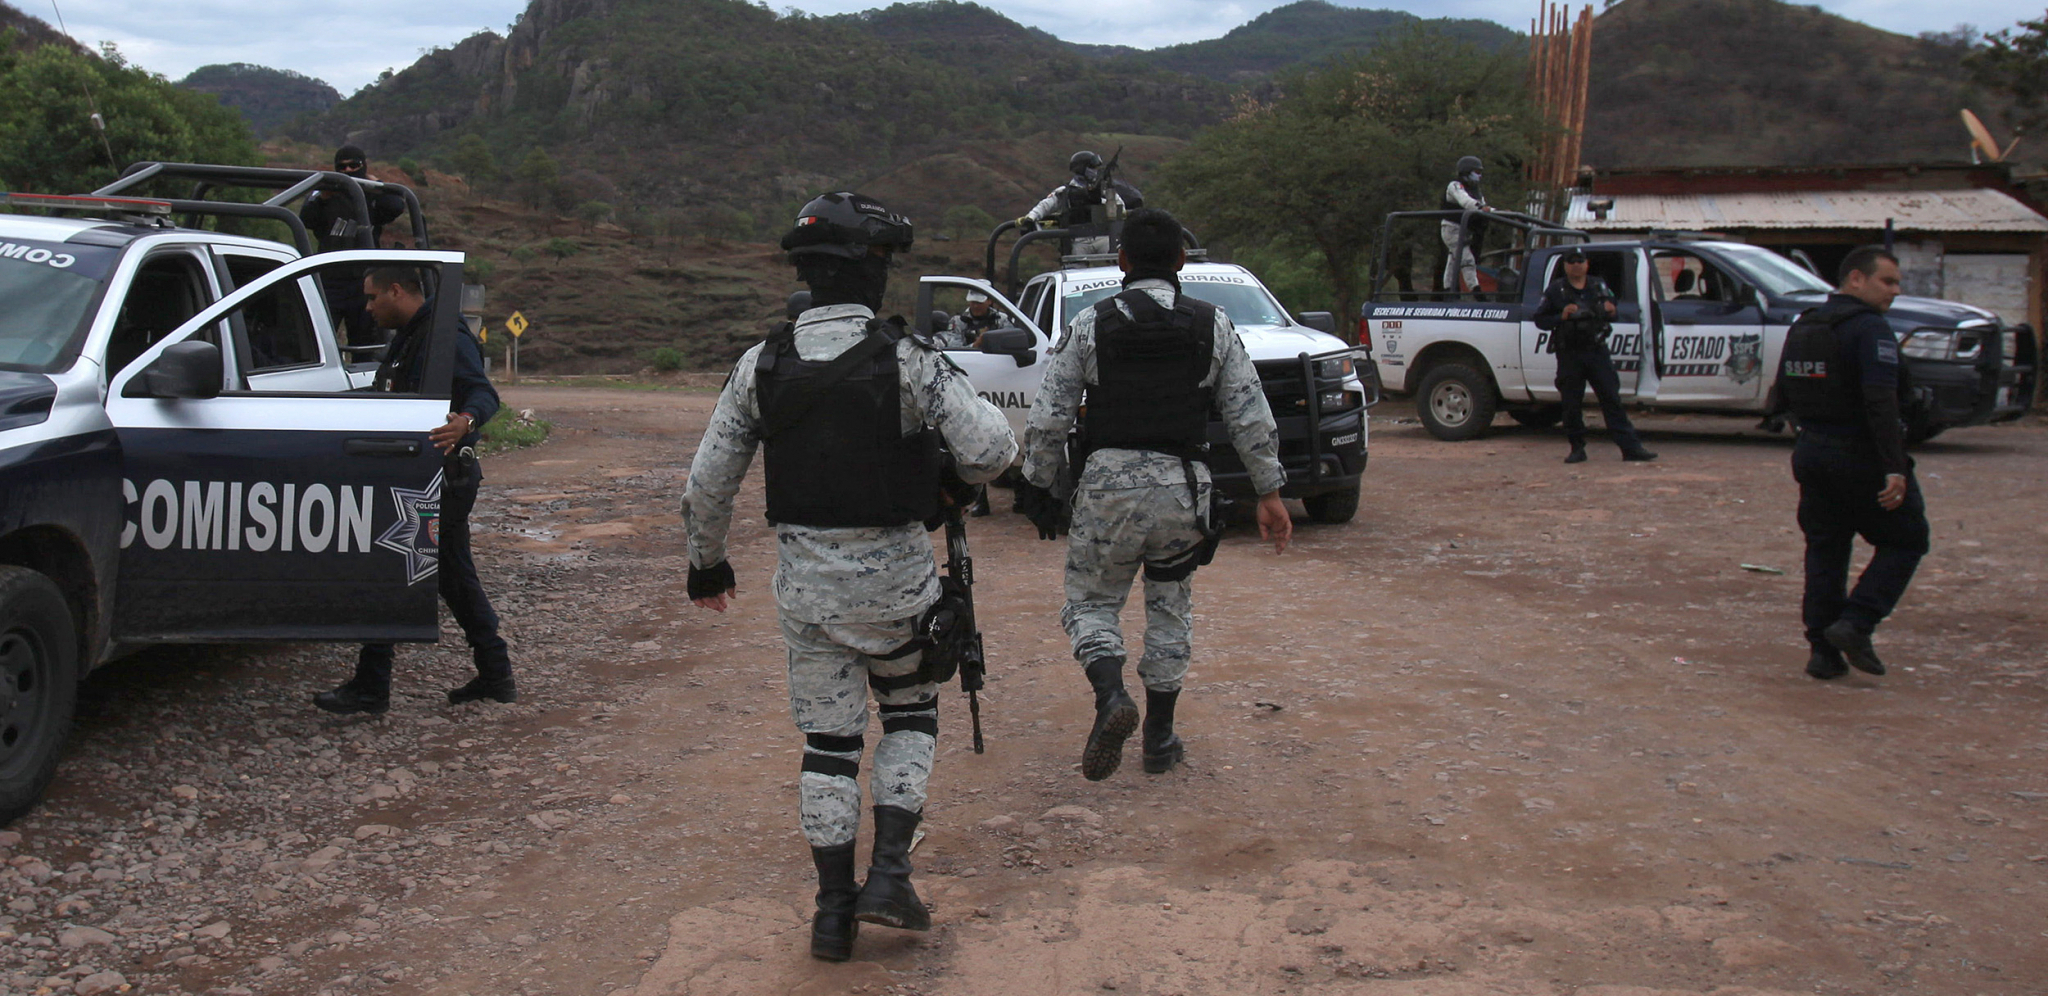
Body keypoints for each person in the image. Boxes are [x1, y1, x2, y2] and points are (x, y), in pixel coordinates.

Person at [680, 192, 1017, 962]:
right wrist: (953, 488)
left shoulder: (758, 365)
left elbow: (706, 485)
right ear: (874, 273)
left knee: (828, 746)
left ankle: (832, 915)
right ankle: (891, 875)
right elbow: (995, 448)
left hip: (809, 595)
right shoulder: (908, 359)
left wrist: (708, 565)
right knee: (908, 717)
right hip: (900, 591)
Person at [1015, 207, 1291, 782]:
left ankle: (1112, 697)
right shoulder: (1211, 325)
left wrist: (1037, 483)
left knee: (1091, 604)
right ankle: (1160, 740)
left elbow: (1048, 417)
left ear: (1121, 261)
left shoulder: (1091, 324)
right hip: (1184, 491)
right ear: (1182, 261)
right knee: (1169, 606)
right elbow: (1248, 412)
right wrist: (1269, 490)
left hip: (1107, 490)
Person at [314, 267, 517, 714]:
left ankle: (373, 685)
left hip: (439, 480)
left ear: (396, 290)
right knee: (447, 578)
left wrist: (465, 421)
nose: (367, 307)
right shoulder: (412, 334)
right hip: (418, 477)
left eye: (372, 298)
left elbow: (483, 393)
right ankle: (494, 674)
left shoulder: (444, 335)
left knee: (403, 569)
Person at [1774, 245, 1928, 681]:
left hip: (1813, 450)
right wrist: (1894, 465)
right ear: (1855, 279)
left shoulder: (1806, 324)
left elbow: (1783, 393)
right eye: (1888, 281)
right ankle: (1856, 623)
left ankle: (1822, 652)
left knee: (1826, 549)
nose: (1894, 292)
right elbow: (1880, 400)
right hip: (1858, 452)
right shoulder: (1869, 329)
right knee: (1907, 539)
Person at [1531, 249, 1658, 463]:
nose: (1576, 265)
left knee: (1611, 399)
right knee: (1571, 404)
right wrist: (1561, 316)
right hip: (1570, 353)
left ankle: (1630, 448)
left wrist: (1610, 310)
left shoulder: (1598, 285)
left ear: (1587, 264)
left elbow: (1613, 311)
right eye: (1571, 262)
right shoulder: (1556, 290)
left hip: (1596, 350)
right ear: (1565, 266)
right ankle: (1577, 448)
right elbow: (1540, 320)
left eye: (1580, 261)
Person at [300, 146, 409, 349]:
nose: (348, 171)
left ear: (363, 166)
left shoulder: (371, 194)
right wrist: (325, 197)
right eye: (342, 167)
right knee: (318, 341)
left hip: (364, 281)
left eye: (354, 166)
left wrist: (374, 184)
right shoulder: (325, 193)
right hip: (329, 279)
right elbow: (306, 217)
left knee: (365, 343)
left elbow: (396, 205)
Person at [1016, 151, 1126, 255]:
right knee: (1074, 268)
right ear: (1081, 169)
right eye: (1091, 168)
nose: (1095, 171)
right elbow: (1045, 205)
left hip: (1102, 235)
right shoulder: (1065, 192)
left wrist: (1101, 201)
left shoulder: (1104, 189)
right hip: (1078, 239)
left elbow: (1121, 208)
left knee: (1117, 259)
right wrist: (1030, 218)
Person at [1440, 155, 1493, 294]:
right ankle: (1476, 292)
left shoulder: (1477, 191)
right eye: (1477, 172)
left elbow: (1484, 206)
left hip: (1464, 229)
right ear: (1467, 171)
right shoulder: (1455, 186)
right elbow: (1466, 202)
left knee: (1453, 260)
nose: (1479, 176)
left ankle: (1447, 290)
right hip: (1451, 229)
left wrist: (1498, 212)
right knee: (1467, 259)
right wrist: (1482, 209)